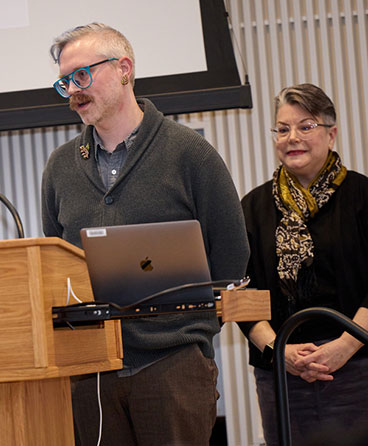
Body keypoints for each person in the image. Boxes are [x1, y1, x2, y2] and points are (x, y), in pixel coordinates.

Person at [41, 23, 249, 445]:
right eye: (65, 82)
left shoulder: (189, 152)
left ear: (124, 69)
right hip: (92, 375)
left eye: (82, 76)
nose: (73, 91)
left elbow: (231, 254)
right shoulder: (60, 166)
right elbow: (56, 265)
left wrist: (190, 327)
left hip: (173, 366)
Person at [238, 83, 368, 446]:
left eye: (306, 126)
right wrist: (279, 349)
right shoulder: (252, 207)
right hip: (280, 374)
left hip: (358, 368)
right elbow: (241, 293)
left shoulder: (362, 196)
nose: (292, 137)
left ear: (332, 133)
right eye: (282, 128)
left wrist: (345, 345)